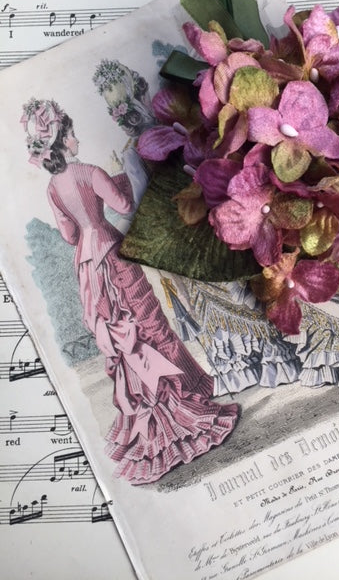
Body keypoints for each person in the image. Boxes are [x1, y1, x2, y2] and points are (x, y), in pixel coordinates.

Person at [20, 98, 239, 485]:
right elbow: (122, 205)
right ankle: (182, 404)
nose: (77, 139)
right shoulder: (90, 171)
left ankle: (151, 410)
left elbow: (70, 235)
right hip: (113, 254)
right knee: (148, 325)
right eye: (72, 134)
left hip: (88, 268)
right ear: (62, 140)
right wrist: (121, 179)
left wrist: (86, 221)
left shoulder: (53, 187)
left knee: (124, 340)